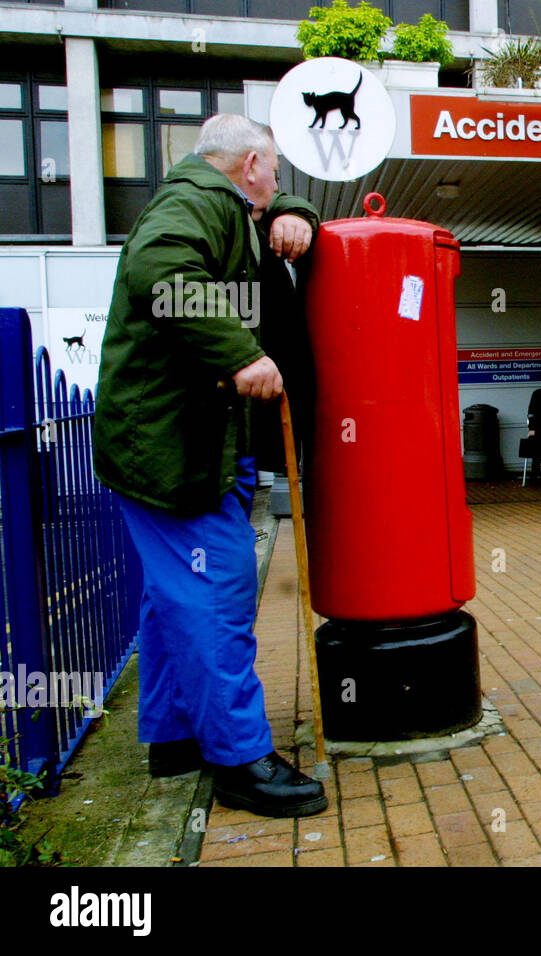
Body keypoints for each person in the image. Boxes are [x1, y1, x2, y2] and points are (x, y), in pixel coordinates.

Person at [93, 114, 329, 817]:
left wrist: (292, 209)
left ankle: (173, 738)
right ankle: (239, 759)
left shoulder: (213, 201)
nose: (279, 184)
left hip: (176, 445)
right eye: (278, 174)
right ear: (250, 164)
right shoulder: (193, 204)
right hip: (178, 454)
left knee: (174, 599)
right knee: (216, 595)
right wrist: (241, 354)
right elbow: (160, 273)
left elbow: (272, 219)